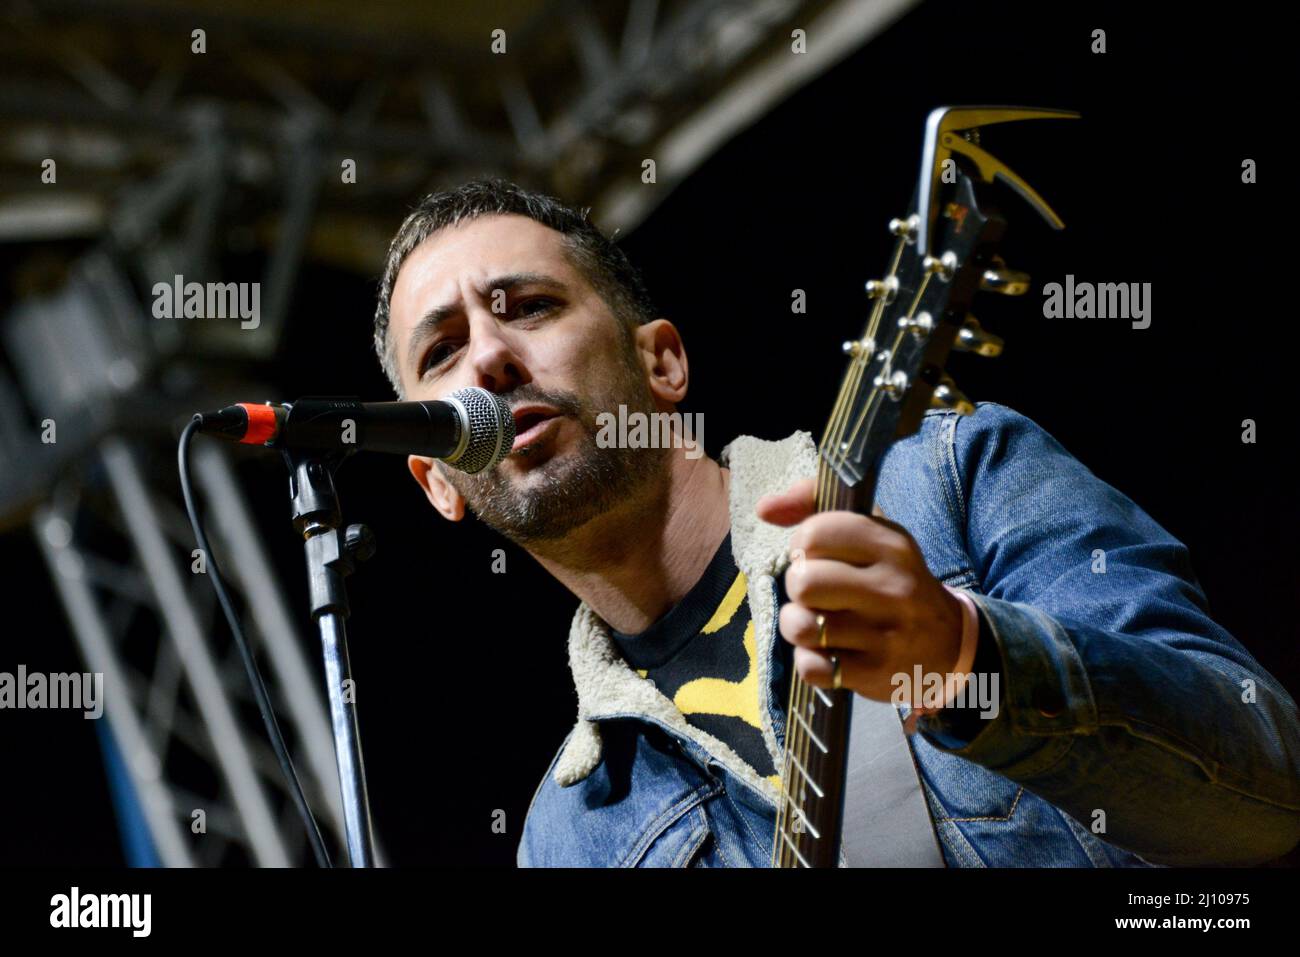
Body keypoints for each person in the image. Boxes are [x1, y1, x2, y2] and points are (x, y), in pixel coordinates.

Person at [372, 179, 1300, 867]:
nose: (489, 357)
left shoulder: (948, 477)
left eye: (529, 307)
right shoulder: (571, 835)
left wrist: (969, 657)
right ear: (438, 484)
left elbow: (1266, 791)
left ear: (662, 364)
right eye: (443, 349)